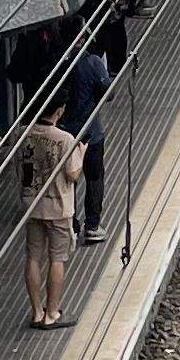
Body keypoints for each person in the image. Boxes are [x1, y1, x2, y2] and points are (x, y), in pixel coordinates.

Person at [18, 111, 84, 328]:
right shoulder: (65, 138)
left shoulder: (22, 134)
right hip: (58, 207)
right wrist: (81, 155)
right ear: (59, 111)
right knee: (57, 258)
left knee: (33, 258)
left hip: (32, 204)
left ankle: (36, 311)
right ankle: (52, 312)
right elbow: (72, 175)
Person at [63, 42, 117, 245]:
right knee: (94, 177)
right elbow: (108, 93)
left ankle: (71, 223)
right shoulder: (92, 62)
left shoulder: (59, 61)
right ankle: (92, 226)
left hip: (64, 131)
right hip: (91, 132)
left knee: (68, 179)